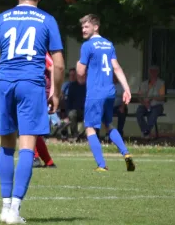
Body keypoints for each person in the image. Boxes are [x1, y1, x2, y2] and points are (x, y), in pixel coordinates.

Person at [0, 0, 65, 224]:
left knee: (6, 144)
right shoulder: (47, 19)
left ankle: (4, 207)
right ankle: (15, 210)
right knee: (27, 145)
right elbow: (58, 65)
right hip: (32, 84)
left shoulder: (2, 18)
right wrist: (56, 94)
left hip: (5, 83)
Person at [75, 14, 135, 172]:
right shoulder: (109, 45)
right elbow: (116, 68)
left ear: (96, 27)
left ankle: (101, 165)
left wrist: (79, 72)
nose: (83, 29)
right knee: (108, 125)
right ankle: (126, 155)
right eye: (82, 27)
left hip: (95, 92)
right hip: (109, 93)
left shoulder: (87, 46)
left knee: (89, 128)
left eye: (86, 26)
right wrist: (127, 88)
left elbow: (80, 72)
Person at [33, 53, 57, 169]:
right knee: (33, 127)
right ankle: (47, 161)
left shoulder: (40, 50)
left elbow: (53, 67)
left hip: (40, 91)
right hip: (36, 90)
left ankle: (37, 158)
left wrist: (52, 92)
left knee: (30, 127)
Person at [136, 65, 165, 138]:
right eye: (151, 71)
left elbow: (162, 98)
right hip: (145, 105)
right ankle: (146, 130)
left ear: (157, 73)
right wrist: (144, 103)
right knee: (139, 111)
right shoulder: (143, 83)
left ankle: (146, 131)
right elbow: (139, 96)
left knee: (154, 112)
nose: (153, 73)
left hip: (157, 105)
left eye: (154, 71)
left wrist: (152, 98)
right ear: (149, 72)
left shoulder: (161, 83)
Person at [66, 68, 87, 140]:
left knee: (90, 115)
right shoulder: (72, 86)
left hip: (86, 110)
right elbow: (69, 101)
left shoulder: (88, 86)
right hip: (75, 110)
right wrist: (67, 112)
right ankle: (75, 135)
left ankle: (82, 135)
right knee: (71, 114)